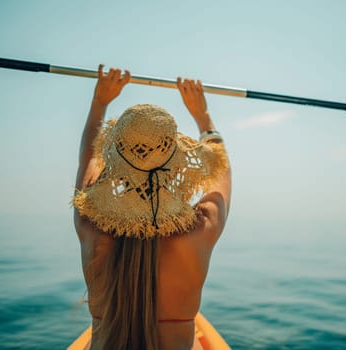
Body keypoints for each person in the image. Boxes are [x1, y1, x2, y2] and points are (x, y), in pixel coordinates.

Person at [73, 64, 231, 350]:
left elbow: (88, 158)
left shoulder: (90, 225)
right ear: (176, 163)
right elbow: (221, 171)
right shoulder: (199, 231)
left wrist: (99, 102)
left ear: (115, 161)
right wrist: (203, 116)